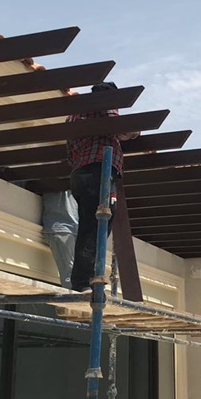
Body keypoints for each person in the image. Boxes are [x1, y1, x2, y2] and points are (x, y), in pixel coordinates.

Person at [66, 82, 139, 291]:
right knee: (97, 227)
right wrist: (135, 131)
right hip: (99, 170)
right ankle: (83, 281)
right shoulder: (104, 105)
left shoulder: (74, 116)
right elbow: (121, 127)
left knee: (88, 226)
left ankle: (83, 278)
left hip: (80, 174)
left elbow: (70, 151)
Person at [41, 190, 78, 289]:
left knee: (77, 275)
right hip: (61, 228)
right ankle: (74, 297)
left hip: (72, 229)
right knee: (71, 276)